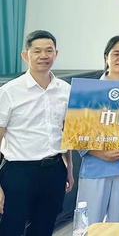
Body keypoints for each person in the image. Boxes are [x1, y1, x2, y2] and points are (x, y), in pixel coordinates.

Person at [0, 31, 74, 236]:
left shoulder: (65, 90)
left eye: (49, 51)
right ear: (26, 55)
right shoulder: (9, 92)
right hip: (18, 172)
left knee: (44, 228)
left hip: (54, 170)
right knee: (11, 228)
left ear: (56, 54)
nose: (44, 56)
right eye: (37, 51)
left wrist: (69, 169)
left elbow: (68, 133)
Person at [75, 36, 119, 225]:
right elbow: (76, 131)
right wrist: (100, 153)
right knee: (88, 226)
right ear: (106, 56)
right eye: (116, 54)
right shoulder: (87, 90)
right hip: (95, 168)